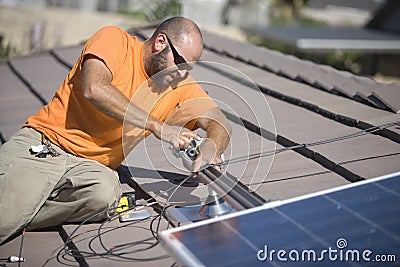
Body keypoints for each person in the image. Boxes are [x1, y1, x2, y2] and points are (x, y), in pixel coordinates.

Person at [0, 16, 231, 244]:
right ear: (160, 42)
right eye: (180, 63)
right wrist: (157, 126)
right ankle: (17, 210)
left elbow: (219, 122)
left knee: (105, 195)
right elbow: (94, 88)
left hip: (90, 170)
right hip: (46, 148)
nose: (183, 74)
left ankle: (22, 209)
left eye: (189, 69)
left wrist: (211, 147)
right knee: (3, 220)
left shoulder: (178, 84)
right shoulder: (115, 41)